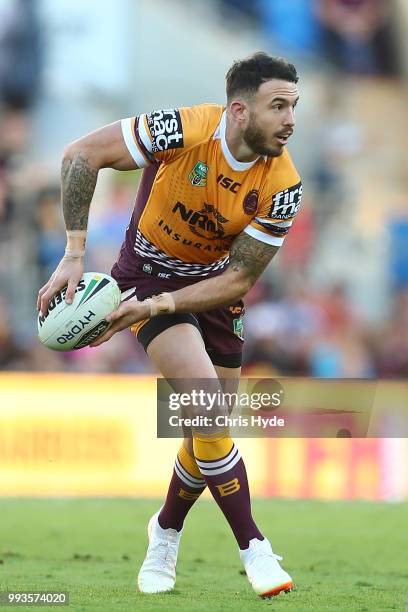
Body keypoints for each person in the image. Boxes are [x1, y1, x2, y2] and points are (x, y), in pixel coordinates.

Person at [37, 52, 302, 598]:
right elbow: (81, 155)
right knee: (206, 407)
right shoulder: (181, 129)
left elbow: (239, 279)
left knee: (208, 429)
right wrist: (73, 252)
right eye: (278, 106)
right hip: (146, 276)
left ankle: (164, 528)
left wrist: (161, 310)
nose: (290, 119)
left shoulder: (285, 184)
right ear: (238, 110)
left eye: (294, 106)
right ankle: (254, 547)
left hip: (211, 293)